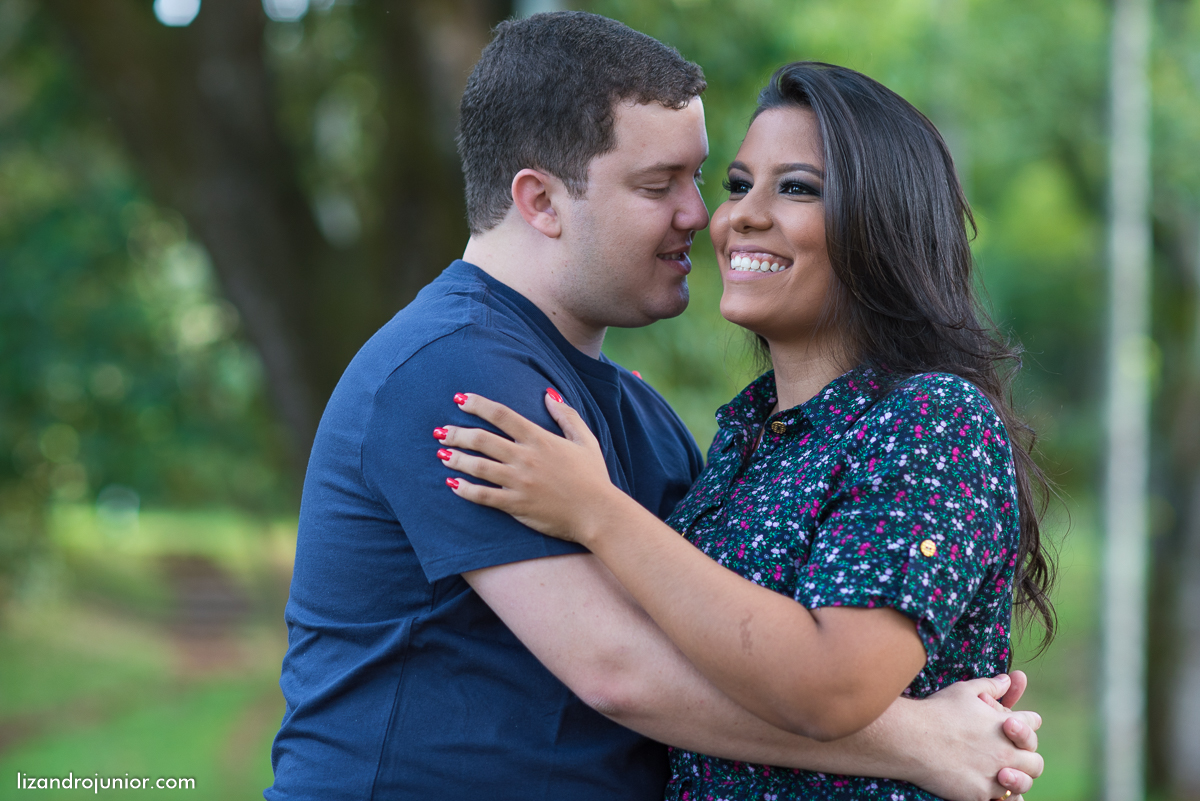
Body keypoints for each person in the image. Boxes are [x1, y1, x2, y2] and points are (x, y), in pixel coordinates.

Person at [266, 14, 1043, 801]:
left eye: (700, 180)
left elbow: (738, 647)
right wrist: (916, 740)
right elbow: (623, 669)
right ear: (540, 200)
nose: (704, 215)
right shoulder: (452, 372)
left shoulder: (663, 424)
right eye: (658, 184)